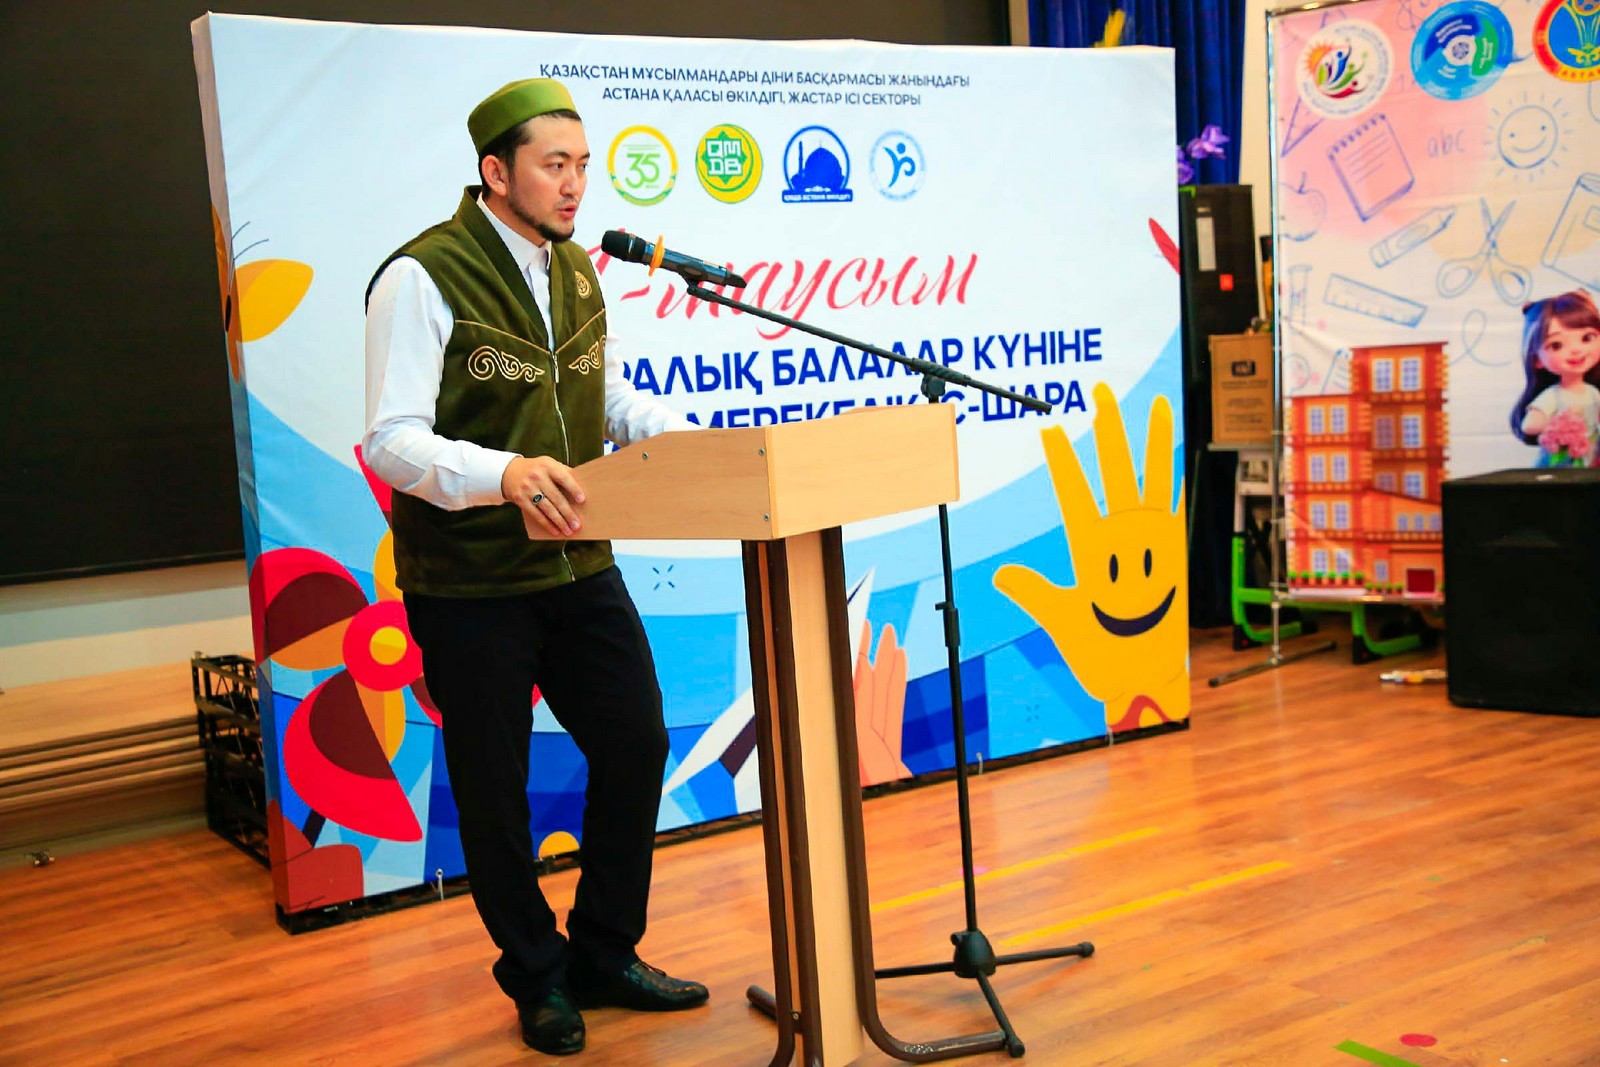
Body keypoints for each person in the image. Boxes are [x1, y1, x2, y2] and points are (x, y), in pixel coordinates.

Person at [362, 78, 705, 1056]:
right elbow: (391, 439)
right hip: (470, 582)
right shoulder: (421, 275)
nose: (574, 185)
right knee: (494, 787)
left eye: (582, 165)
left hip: (579, 563)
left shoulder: (578, 271)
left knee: (635, 741)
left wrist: (677, 434)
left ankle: (605, 951)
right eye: (555, 165)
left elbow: (602, 398)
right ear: (496, 171)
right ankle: (538, 976)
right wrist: (503, 473)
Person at [1510, 289, 1600, 467]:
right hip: (1558, 466)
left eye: (1587, 338)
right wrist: (1557, 427)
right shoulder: (1554, 396)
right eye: (1556, 345)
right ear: (1537, 359)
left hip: (1590, 462)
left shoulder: (1593, 393)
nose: (1576, 350)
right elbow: (1530, 425)